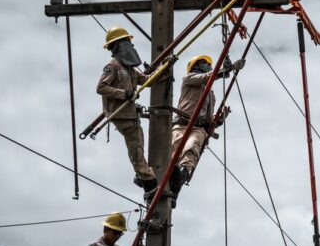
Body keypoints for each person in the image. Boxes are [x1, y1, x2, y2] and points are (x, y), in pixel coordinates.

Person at [169, 54, 244, 204]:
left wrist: (219, 120)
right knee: (171, 161)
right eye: (204, 63)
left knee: (192, 148)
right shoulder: (188, 79)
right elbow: (208, 77)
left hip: (197, 129)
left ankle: (182, 178)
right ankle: (168, 191)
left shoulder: (210, 94)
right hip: (180, 125)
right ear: (196, 66)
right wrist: (227, 69)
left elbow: (209, 120)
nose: (208, 66)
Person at [97, 27, 157, 201]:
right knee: (136, 150)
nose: (130, 46)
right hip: (121, 115)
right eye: (127, 42)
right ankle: (149, 183)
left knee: (139, 145)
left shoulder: (129, 69)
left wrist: (163, 70)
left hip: (131, 115)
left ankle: (141, 176)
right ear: (118, 45)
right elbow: (101, 88)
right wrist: (124, 94)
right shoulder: (113, 66)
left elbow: (146, 80)